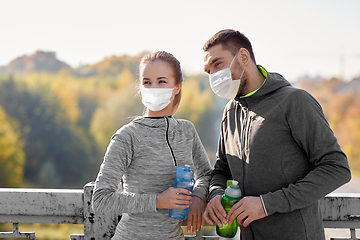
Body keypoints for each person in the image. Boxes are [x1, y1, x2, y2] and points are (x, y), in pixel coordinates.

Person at [201, 29, 351, 239]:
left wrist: (266, 205)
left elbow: (337, 168)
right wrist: (215, 193)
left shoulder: (295, 101)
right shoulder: (230, 112)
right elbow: (222, 170)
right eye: (208, 71)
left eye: (218, 64)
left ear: (243, 57)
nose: (214, 76)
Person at [92, 51, 213, 240]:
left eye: (162, 81)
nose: (153, 87)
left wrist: (198, 196)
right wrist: (157, 201)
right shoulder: (128, 136)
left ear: (177, 87)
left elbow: (206, 174)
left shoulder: (186, 131)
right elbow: (101, 199)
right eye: (147, 82)